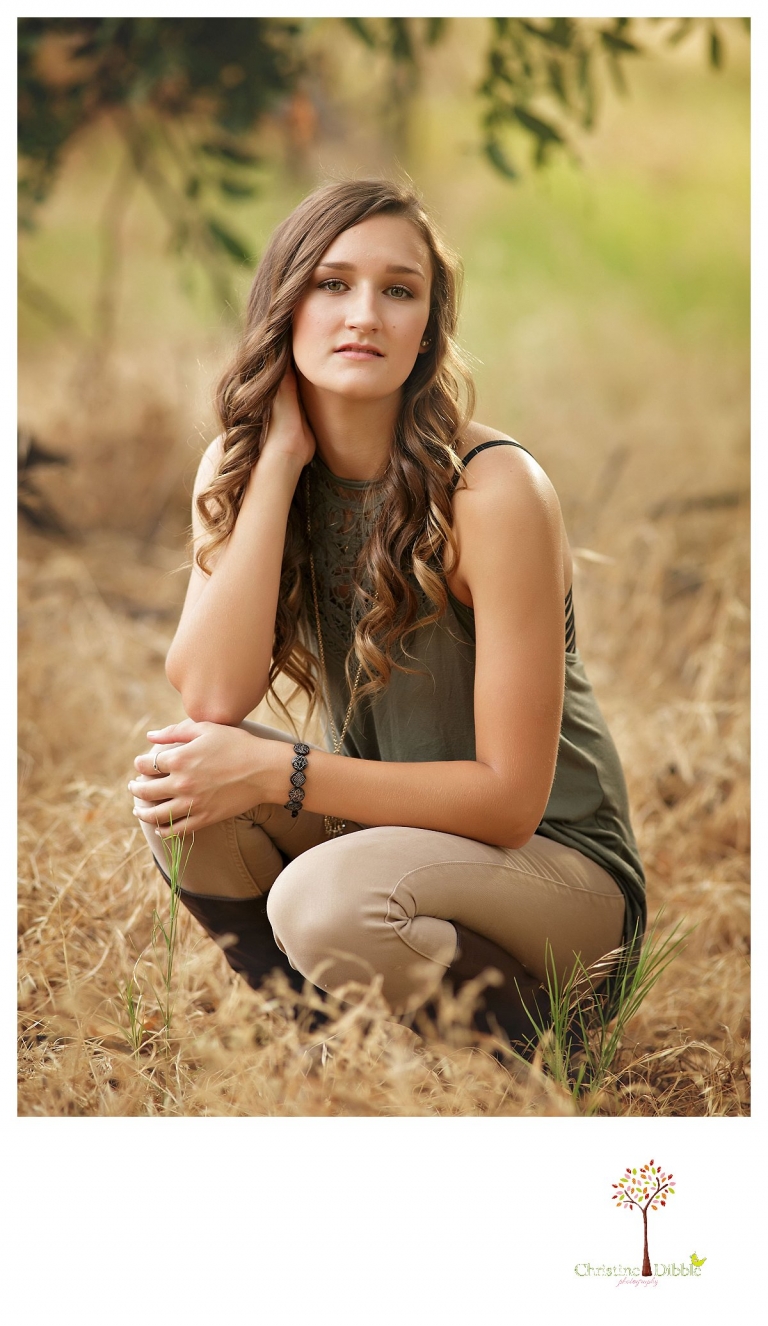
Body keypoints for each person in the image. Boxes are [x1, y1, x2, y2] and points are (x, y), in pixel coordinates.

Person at [128, 178, 645, 1054]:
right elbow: (212, 695)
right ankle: (344, 1055)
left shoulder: (493, 491)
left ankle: (540, 1044)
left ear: (427, 328)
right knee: (183, 787)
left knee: (323, 898)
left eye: (398, 290)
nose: (364, 312)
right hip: (394, 841)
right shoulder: (245, 463)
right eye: (332, 284)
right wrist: (281, 459)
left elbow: (511, 803)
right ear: (284, 305)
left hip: (559, 879)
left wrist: (277, 771)